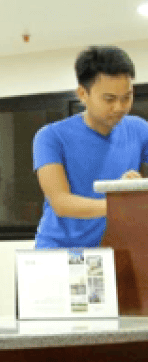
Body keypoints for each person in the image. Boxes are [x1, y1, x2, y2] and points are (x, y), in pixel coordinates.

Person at [33, 45, 148, 248]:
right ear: (82, 94)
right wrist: (120, 204)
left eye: (127, 97)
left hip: (113, 248)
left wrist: (137, 189)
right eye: (109, 99)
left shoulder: (139, 129)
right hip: (58, 250)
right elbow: (61, 203)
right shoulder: (51, 136)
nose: (120, 107)